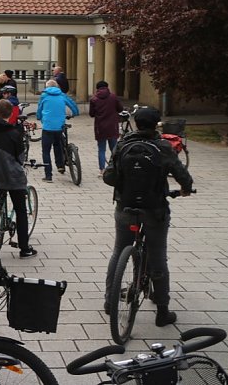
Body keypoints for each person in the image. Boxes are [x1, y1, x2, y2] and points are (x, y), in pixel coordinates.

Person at [102, 106, 193, 326]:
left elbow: (108, 177)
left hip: (125, 208)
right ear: (156, 125)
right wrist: (186, 189)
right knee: (158, 254)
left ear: (135, 122)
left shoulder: (123, 145)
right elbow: (182, 175)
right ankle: (162, 311)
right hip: (154, 210)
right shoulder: (163, 146)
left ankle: (109, 300)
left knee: (118, 251)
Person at [0, 100, 37, 258]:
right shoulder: (14, 134)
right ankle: (24, 248)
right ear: (11, 113)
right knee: (21, 210)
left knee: (2, 194)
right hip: (12, 177)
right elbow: (20, 157)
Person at [36, 80, 79, 182]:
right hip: (59, 126)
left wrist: (39, 117)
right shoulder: (62, 95)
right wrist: (75, 113)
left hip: (47, 127)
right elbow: (72, 104)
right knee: (58, 145)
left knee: (46, 151)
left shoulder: (44, 96)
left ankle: (48, 176)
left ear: (46, 87)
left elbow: (39, 110)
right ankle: (60, 165)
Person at [90, 80, 124, 175]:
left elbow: (91, 114)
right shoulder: (113, 97)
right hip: (112, 126)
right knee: (114, 148)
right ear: (107, 87)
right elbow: (120, 108)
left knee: (101, 149)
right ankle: (115, 168)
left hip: (100, 127)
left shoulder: (94, 99)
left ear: (97, 88)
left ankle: (102, 170)